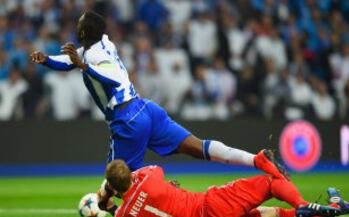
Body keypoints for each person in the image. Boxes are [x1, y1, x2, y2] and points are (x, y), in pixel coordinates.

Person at [30, 11, 288, 181]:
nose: (76, 26)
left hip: (126, 118)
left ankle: (160, 186)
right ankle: (256, 159)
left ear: (84, 33)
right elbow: (68, 60)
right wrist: (47, 60)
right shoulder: (100, 44)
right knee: (197, 147)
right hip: (146, 109)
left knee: (117, 179)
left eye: (79, 25)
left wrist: (84, 67)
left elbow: (115, 78)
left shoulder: (94, 57)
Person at [97, 159, 349, 217]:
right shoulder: (150, 177)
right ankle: (302, 204)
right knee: (270, 182)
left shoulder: (123, 216)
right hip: (213, 206)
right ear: (129, 176)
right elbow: (149, 172)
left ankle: (335, 207)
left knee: (276, 215)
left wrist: (109, 204)